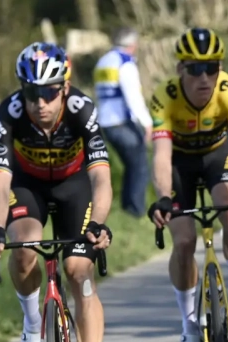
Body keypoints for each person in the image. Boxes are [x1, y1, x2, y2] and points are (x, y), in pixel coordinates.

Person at [0, 42, 113, 342]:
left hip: (74, 187)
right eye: (32, 92)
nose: (41, 102)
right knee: (22, 252)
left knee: (78, 271)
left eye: (50, 92)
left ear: (65, 88)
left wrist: (98, 223)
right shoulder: (9, 114)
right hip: (28, 186)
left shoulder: (82, 111)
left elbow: (101, 175)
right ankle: (32, 323)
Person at [147, 28, 228, 342]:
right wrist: (164, 198)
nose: (204, 77)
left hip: (218, 157)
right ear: (180, 69)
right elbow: (162, 157)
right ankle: (189, 329)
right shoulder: (164, 97)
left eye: (211, 68)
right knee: (183, 241)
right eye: (195, 69)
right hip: (180, 165)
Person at [94, 26, 153, 218]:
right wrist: (147, 123)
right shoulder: (125, 63)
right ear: (132, 45)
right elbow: (133, 97)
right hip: (121, 121)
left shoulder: (103, 62)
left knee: (130, 165)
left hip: (104, 122)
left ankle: (128, 209)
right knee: (140, 165)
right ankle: (135, 211)